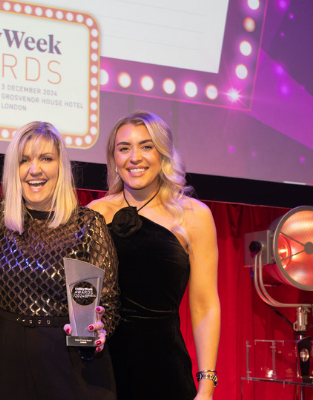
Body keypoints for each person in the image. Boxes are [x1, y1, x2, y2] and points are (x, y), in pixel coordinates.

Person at [0, 121, 119, 400]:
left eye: (46, 158)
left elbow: (109, 304)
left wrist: (101, 329)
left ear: (61, 166)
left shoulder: (89, 224)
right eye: (24, 160)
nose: (34, 169)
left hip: (73, 362)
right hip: (9, 360)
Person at [89, 111, 220, 400]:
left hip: (164, 372)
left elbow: (205, 305)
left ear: (163, 153)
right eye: (124, 148)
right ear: (114, 158)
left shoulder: (194, 216)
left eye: (146, 146)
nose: (134, 157)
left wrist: (207, 385)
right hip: (100, 370)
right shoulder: (93, 213)